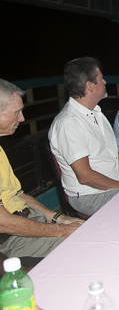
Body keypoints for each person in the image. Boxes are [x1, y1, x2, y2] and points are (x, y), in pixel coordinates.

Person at [0, 79, 83, 258]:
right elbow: (3, 222)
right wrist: (62, 231)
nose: (22, 119)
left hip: (28, 218)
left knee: (89, 230)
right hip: (10, 237)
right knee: (86, 242)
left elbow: (19, 195)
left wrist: (59, 218)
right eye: (17, 112)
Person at [49, 57, 119, 216]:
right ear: (89, 86)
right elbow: (85, 176)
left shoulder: (96, 113)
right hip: (90, 195)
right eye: (101, 79)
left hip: (114, 185)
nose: (105, 82)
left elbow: (111, 152)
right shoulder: (69, 123)